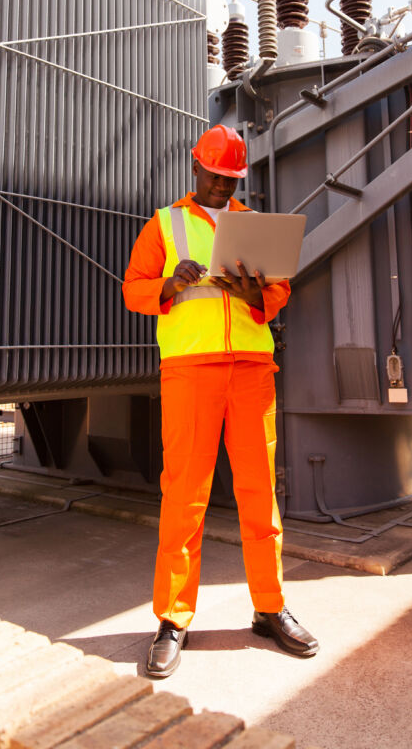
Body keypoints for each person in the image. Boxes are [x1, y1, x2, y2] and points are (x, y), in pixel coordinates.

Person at [122, 123, 319, 678]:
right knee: (184, 495)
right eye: (214, 175)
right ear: (196, 167)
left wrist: (256, 294)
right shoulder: (164, 224)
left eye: (230, 178)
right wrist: (170, 284)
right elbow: (132, 289)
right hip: (190, 371)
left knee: (259, 494)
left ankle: (270, 608)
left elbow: (277, 293)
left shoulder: (253, 225)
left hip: (252, 370)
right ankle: (172, 620)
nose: (221, 185)